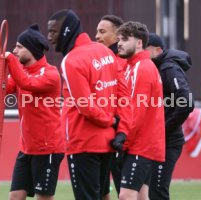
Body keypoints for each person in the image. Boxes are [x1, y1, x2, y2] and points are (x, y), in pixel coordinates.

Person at [47, 9, 132, 200]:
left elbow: (84, 104)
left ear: (67, 31)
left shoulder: (72, 60)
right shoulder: (104, 51)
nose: (49, 37)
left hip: (83, 143)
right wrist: (119, 127)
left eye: (53, 31)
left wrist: (109, 120)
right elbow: (122, 93)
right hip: (108, 142)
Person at [5, 24, 65, 200]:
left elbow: (27, 83)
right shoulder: (20, 72)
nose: (14, 51)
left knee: (43, 198)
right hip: (27, 148)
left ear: (31, 49)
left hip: (47, 149)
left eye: (19, 46)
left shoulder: (51, 74)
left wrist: (10, 61)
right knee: (15, 196)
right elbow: (4, 88)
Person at [117, 22, 165, 200]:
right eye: (118, 39)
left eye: (124, 39)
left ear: (139, 43)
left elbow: (136, 111)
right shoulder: (133, 66)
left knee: (126, 196)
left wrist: (124, 142)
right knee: (141, 197)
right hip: (142, 143)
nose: (119, 43)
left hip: (139, 144)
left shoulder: (142, 68)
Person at [146, 33, 194, 200]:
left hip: (167, 141)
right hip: (157, 141)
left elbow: (186, 103)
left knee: (157, 192)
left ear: (157, 50)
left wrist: (163, 129)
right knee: (152, 192)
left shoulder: (168, 68)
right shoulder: (156, 68)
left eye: (144, 48)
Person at [96, 14, 127, 199]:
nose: (97, 36)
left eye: (102, 32)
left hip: (121, 137)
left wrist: (121, 129)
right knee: (103, 191)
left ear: (117, 36)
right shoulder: (100, 61)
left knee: (127, 194)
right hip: (104, 136)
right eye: (96, 32)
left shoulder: (123, 62)